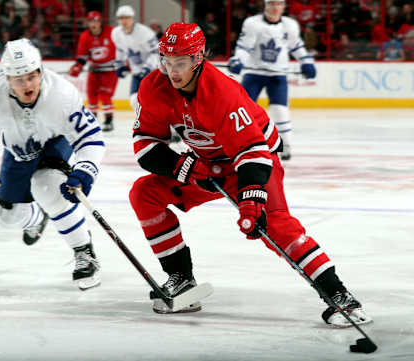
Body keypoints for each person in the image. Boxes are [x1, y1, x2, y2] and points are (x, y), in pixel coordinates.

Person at [128, 22, 372, 328]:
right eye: (167, 62)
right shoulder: (154, 87)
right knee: (144, 194)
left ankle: (341, 297)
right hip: (207, 165)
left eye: (181, 62)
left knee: (274, 225)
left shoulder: (221, 92)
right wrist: (187, 169)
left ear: (199, 57)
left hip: (254, 160)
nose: (172, 71)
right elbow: (145, 147)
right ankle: (181, 278)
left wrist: (251, 197)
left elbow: (253, 151)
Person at [0, 39, 105, 290]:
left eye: (32, 76)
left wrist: (86, 168)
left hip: (56, 142)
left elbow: (91, 137)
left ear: (41, 71)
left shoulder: (62, 95)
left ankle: (84, 252)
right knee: (7, 218)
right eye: (19, 79)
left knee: (48, 187)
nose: (27, 85)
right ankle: (36, 216)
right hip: (18, 151)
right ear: (7, 79)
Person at [228, 0, 317, 161]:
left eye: (278, 4)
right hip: (254, 74)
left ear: (283, 7)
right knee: (243, 110)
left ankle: (285, 145)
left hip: (278, 75)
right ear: (265, 6)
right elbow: (244, 47)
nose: (275, 8)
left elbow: (296, 46)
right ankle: (237, 144)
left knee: (280, 110)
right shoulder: (252, 23)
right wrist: (237, 60)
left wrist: (306, 62)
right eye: (272, 4)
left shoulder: (290, 25)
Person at [69, 10, 118, 132]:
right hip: (94, 69)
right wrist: (78, 66)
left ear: (100, 22)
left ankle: (108, 120)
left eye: (96, 21)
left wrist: (124, 62)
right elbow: (83, 56)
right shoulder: (85, 36)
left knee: (105, 96)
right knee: (91, 96)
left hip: (110, 70)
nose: (93, 24)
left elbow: (123, 46)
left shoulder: (112, 32)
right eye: (91, 21)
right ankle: (92, 120)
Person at [111, 5, 158, 111]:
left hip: (154, 72)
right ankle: (143, 124)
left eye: (127, 18)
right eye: (121, 18)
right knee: (134, 101)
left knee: (154, 101)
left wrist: (149, 67)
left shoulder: (145, 32)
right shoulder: (116, 33)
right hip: (136, 72)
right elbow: (120, 49)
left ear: (133, 18)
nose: (124, 21)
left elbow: (157, 51)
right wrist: (119, 64)